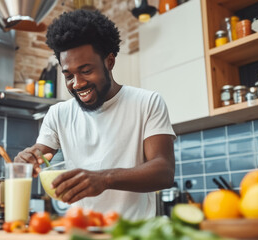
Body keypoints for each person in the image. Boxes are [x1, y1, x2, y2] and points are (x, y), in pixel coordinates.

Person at [14, 9, 176, 220]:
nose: (77, 83)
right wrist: (26, 160)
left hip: (132, 233)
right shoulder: (58, 114)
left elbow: (163, 171)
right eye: (69, 75)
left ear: (109, 62)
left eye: (86, 70)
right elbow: (38, 156)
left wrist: (105, 178)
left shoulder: (147, 103)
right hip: (80, 231)